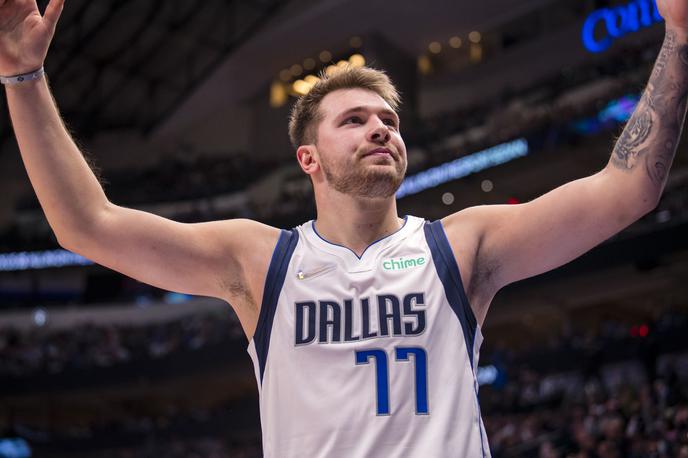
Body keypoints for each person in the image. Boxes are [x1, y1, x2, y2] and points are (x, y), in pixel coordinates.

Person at [1, 0, 686, 456]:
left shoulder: (459, 244)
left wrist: (679, 38)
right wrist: (25, 75)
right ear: (310, 159)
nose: (380, 128)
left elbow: (626, 189)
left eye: (387, 119)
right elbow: (85, 225)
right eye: (353, 120)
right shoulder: (259, 260)